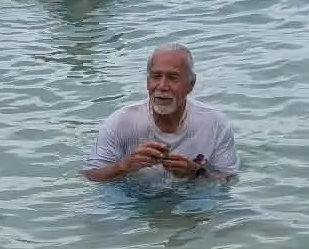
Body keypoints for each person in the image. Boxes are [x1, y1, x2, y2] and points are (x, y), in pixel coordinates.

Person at [83, 44, 237, 185]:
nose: (162, 86)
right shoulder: (121, 122)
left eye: (173, 78)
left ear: (191, 85)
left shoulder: (215, 123)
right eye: (156, 76)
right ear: (147, 81)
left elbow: (228, 180)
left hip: (190, 197)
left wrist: (195, 172)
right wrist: (125, 166)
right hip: (133, 197)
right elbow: (90, 176)